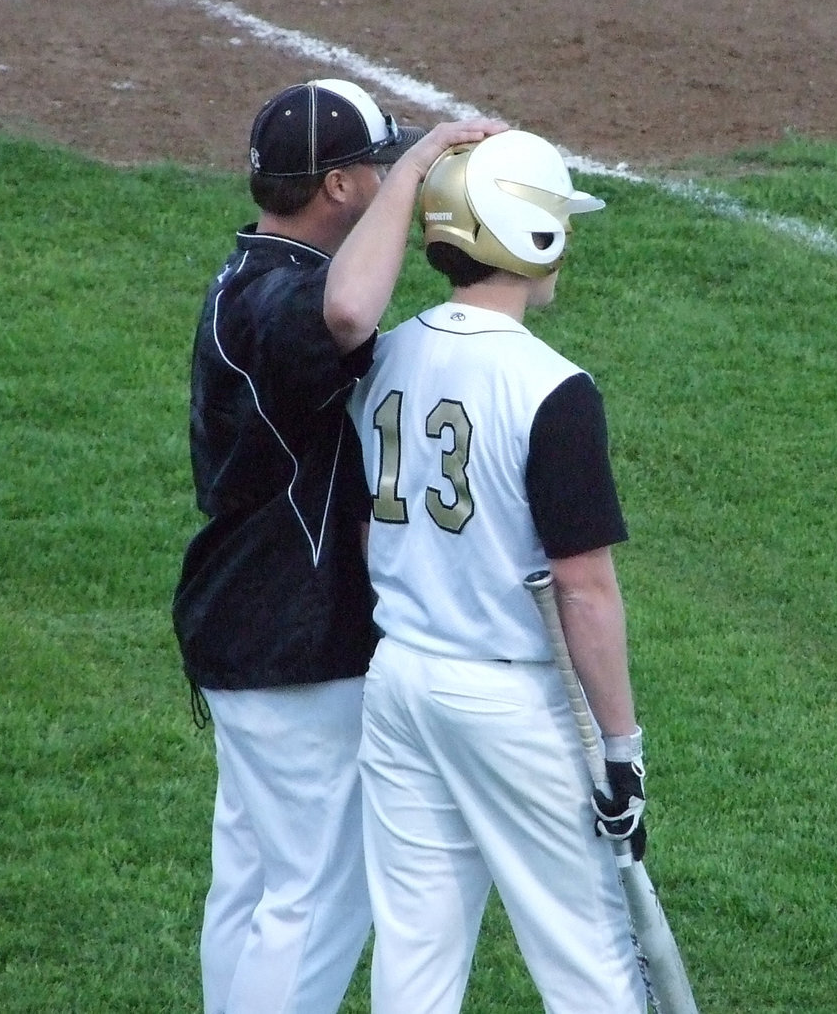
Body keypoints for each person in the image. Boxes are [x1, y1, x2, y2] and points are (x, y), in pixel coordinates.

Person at [171, 77, 506, 1014]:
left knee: (251, 880)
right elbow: (350, 317)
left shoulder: (250, 273)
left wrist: (398, 173)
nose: (389, 172)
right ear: (339, 188)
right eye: (376, 164)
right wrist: (421, 170)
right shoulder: (283, 298)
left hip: (244, 618)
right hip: (292, 634)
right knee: (316, 894)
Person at [346, 129, 649, 1013]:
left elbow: (370, 524)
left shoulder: (388, 354)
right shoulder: (553, 386)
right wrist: (622, 745)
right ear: (529, 234)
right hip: (512, 705)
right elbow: (583, 585)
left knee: (415, 958)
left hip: (399, 682)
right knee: (589, 957)